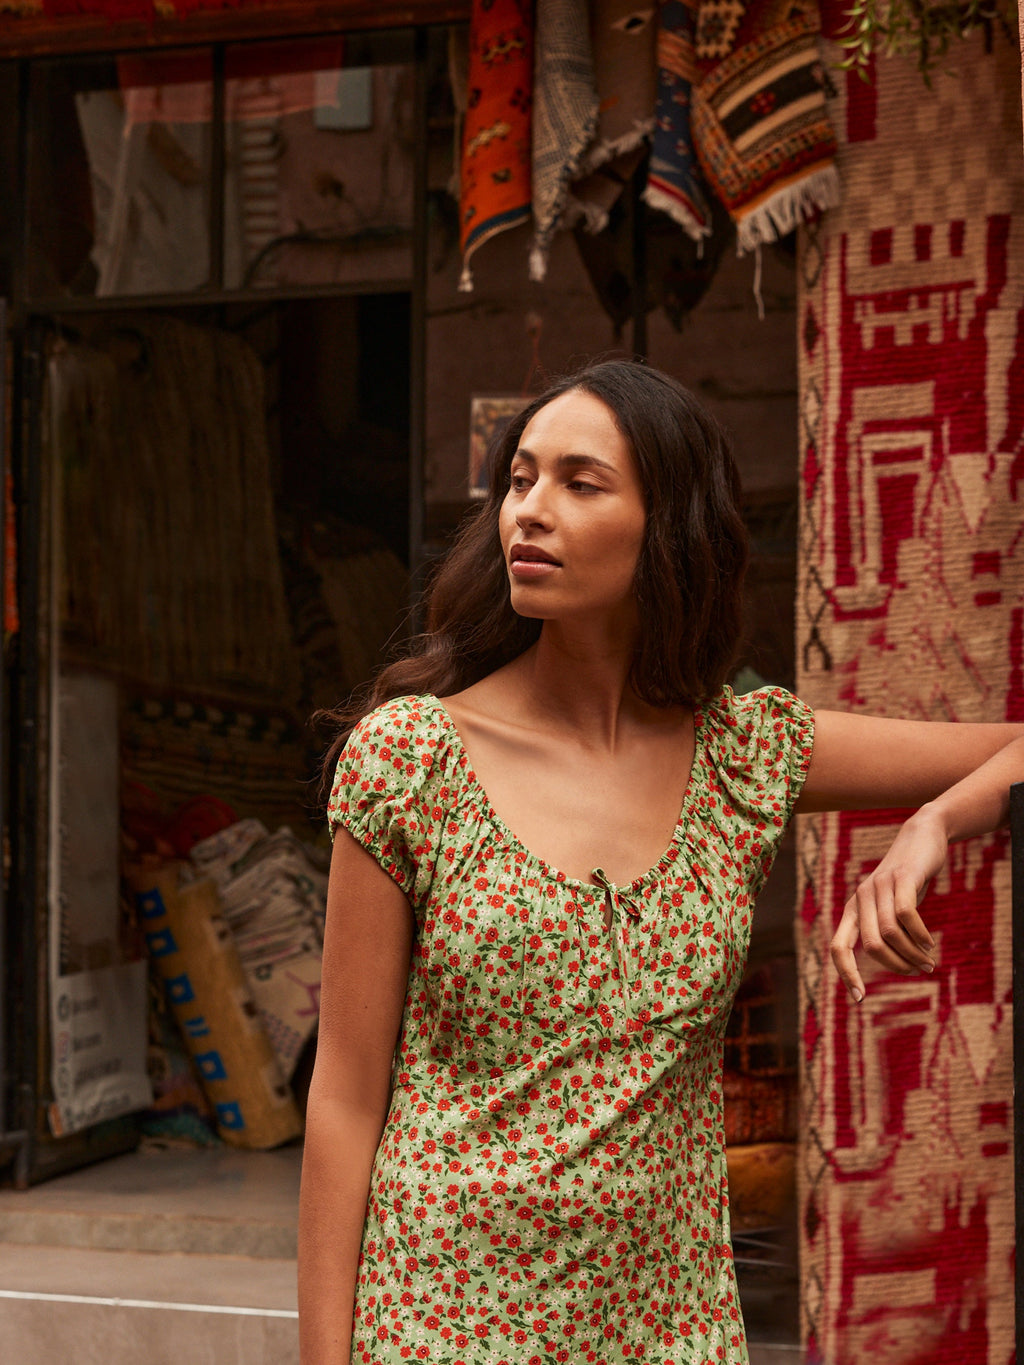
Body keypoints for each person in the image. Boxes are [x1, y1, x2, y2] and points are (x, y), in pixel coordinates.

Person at [298, 359, 1024, 1365]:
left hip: (667, 1325)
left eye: (580, 483)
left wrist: (933, 824)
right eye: (520, 479)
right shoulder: (414, 759)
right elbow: (342, 1099)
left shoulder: (740, 755)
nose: (529, 510)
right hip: (443, 1318)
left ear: (668, 527)